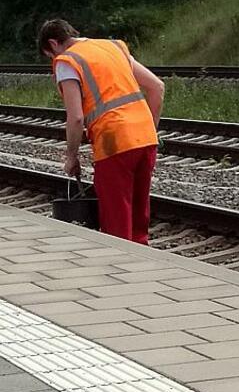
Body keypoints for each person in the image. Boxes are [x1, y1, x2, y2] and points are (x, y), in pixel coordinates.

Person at [38, 18, 165, 245]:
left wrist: (71, 157)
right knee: (138, 215)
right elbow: (157, 87)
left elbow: (76, 117)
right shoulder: (114, 46)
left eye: (50, 56)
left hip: (114, 141)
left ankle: (122, 269)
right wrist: (148, 129)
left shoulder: (67, 61)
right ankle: (143, 263)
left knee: (117, 220)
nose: (53, 61)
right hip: (146, 137)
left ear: (53, 44)